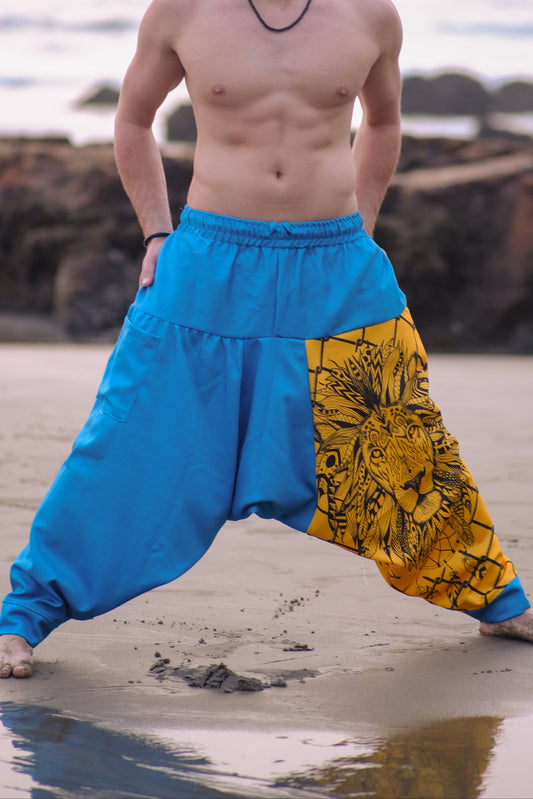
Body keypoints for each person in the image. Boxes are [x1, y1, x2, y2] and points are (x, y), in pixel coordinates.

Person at [1, 0, 532, 680]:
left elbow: (384, 119)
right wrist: (157, 232)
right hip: (210, 258)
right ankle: (24, 616)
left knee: (402, 435)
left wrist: (362, 226)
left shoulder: (369, 14)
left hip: (336, 262)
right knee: (130, 436)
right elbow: (133, 118)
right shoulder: (182, 11)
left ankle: (495, 597)